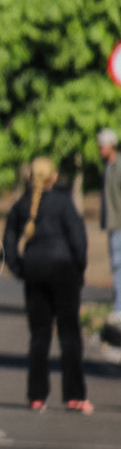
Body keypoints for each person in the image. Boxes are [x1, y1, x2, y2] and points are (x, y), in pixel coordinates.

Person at [2, 157, 91, 414]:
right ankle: (74, 396)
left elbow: (8, 244)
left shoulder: (20, 206)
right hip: (65, 272)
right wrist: (79, 270)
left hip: (35, 272)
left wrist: (20, 269)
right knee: (69, 335)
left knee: (39, 336)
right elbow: (79, 240)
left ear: (30, 176)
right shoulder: (64, 203)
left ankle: (37, 396)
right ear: (54, 177)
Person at [98, 127, 121, 323]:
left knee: (118, 264)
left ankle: (119, 307)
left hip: (119, 223)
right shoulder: (108, 166)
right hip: (113, 223)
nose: (100, 149)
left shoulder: (119, 166)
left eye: (102, 145)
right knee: (115, 264)